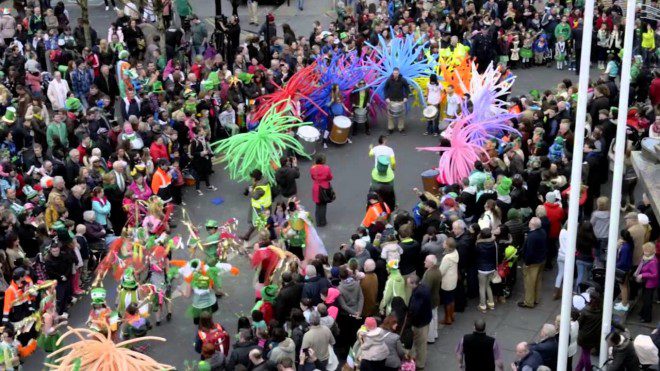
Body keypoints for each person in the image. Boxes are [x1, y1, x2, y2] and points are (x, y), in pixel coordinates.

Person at [518, 217, 546, 308]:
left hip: (532, 263)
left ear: (533, 225)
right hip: (541, 260)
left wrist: (526, 263)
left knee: (529, 283)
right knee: (538, 281)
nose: (528, 223)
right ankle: (536, 299)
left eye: (530, 222)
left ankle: (529, 302)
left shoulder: (531, 236)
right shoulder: (542, 232)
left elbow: (529, 252)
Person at [407, 274, 432, 370]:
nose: (408, 285)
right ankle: (419, 361)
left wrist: (409, 316)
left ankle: (420, 364)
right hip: (426, 320)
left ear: (414, 284)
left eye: (409, 284)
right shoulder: (424, 287)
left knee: (420, 344)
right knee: (422, 343)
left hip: (419, 323)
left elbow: (414, 310)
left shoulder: (418, 294)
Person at [635, 242, 658, 323]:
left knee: (647, 301)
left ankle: (647, 318)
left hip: (650, 284)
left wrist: (642, 275)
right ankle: (643, 313)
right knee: (645, 299)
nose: (644, 252)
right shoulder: (647, 258)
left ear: (650, 251)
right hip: (647, 282)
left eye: (646, 250)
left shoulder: (653, 261)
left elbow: (655, 274)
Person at [421, 254, 441, 343]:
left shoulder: (430, 274)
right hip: (435, 297)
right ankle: (435, 334)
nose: (424, 262)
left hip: (430, 300)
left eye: (426, 261)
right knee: (434, 317)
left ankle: (430, 338)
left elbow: (426, 289)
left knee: (430, 319)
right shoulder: (437, 270)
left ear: (431, 263)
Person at [383, 68, 410, 135]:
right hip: (391, 100)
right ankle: (390, 129)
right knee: (390, 115)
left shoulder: (403, 80)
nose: (395, 74)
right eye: (394, 73)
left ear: (398, 73)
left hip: (400, 100)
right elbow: (385, 89)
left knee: (401, 115)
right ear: (393, 73)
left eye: (396, 73)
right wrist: (386, 97)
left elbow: (407, 88)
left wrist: (406, 97)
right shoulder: (389, 80)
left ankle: (401, 128)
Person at [439, 237, 459, 325]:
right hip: (453, 279)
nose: (443, 243)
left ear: (447, 246)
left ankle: (448, 319)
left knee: (447, 301)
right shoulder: (455, 252)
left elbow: (441, 271)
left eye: (444, 243)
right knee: (451, 299)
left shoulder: (447, 258)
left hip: (447, 281)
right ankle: (452, 316)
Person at [310, 154, 333, 227]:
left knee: (318, 205)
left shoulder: (312, 168)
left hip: (316, 188)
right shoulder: (326, 168)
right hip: (324, 187)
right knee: (323, 205)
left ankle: (318, 221)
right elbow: (330, 177)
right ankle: (322, 222)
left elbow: (313, 177)